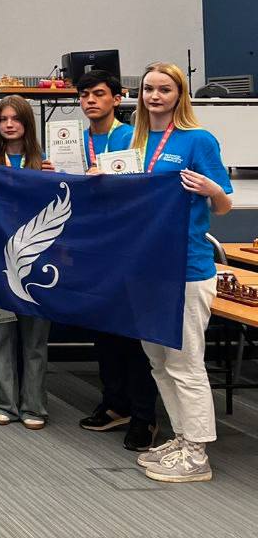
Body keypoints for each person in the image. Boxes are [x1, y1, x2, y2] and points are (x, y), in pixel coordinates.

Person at [131, 62, 232, 483]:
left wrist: (213, 189)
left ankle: (197, 452)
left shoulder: (198, 140)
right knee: (158, 361)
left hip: (186, 267)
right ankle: (181, 436)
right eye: (148, 89)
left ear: (179, 95)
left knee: (185, 363)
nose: (155, 96)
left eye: (164, 89)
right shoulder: (134, 140)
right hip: (144, 268)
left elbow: (223, 205)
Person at [73, 71, 157, 451]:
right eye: (85, 94)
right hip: (91, 248)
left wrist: (106, 178)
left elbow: (142, 189)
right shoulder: (73, 141)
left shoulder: (133, 138)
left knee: (132, 334)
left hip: (127, 247)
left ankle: (144, 415)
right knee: (104, 331)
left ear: (117, 98)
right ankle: (114, 403)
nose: (91, 100)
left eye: (98, 93)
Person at [0, 96, 55, 430]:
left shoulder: (44, 162)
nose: (9, 125)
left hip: (36, 262)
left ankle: (34, 405)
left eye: (16, 119)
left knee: (35, 339)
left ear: (27, 123)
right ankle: (5, 403)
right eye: (3, 119)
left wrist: (57, 178)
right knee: (0, 337)